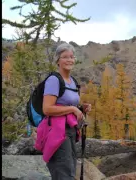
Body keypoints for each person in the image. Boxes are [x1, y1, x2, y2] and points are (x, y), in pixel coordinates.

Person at [38, 43, 91, 180]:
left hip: (70, 131)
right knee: (64, 173)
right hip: (57, 132)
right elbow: (47, 109)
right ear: (58, 60)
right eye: (65, 57)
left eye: (72, 57)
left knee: (69, 170)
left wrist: (80, 109)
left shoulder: (72, 81)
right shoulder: (54, 80)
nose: (69, 60)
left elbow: (66, 105)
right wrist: (73, 109)